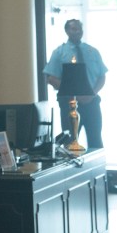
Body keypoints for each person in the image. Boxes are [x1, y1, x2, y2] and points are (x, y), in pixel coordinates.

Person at [43, 19, 108, 149]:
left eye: (79, 28)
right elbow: (51, 79)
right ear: (67, 31)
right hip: (69, 103)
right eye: (74, 29)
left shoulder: (93, 51)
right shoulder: (59, 53)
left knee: (96, 139)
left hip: (92, 102)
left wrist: (92, 94)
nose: (77, 31)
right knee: (70, 141)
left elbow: (102, 76)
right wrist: (75, 95)